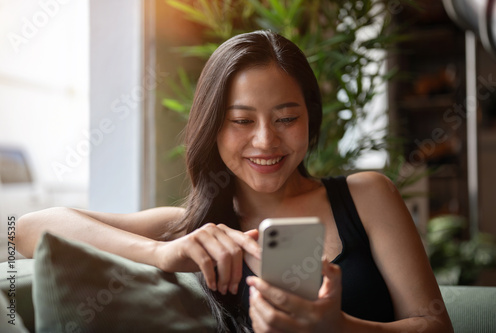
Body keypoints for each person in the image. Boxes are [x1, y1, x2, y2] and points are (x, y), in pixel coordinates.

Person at [17, 30, 453, 333]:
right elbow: (28, 227)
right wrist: (162, 253)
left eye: (286, 118)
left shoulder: (367, 196)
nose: (265, 141)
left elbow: (434, 324)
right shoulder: (194, 228)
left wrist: (339, 328)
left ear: (310, 119)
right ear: (213, 128)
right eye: (241, 120)